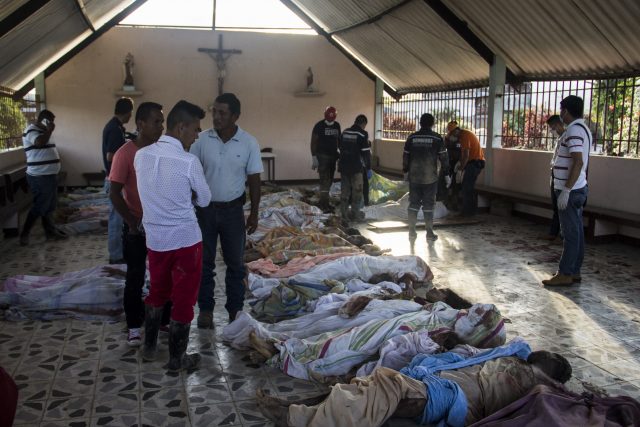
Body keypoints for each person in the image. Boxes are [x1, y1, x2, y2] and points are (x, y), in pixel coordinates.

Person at [256, 348, 572, 427]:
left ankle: (299, 419)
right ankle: (306, 411)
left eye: (553, 358)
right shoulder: (509, 358)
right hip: (435, 382)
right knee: (367, 383)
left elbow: (559, 397)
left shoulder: (537, 383)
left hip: (450, 398)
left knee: (387, 382)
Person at [134, 100, 211, 372]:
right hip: (186, 241)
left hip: (156, 240)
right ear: (181, 128)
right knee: (184, 298)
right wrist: (185, 195)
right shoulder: (188, 161)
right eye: (196, 129)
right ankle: (178, 358)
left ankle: (150, 348)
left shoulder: (141, 155)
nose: (197, 135)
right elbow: (204, 199)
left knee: (157, 291)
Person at [190, 93, 263, 328]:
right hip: (205, 211)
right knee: (204, 263)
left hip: (233, 211)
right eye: (215, 112)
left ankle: (235, 310)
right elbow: (191, 174)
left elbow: (254, 179)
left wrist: (254, 212)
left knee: (235, 264)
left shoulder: (248, 142)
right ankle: (206, 310)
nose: (217, 117)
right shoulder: (201, 141)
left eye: (222, 113)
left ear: (235, 116)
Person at [109, 102, 172, 347]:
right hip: (137, 226)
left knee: (164, 275)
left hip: (162, 224)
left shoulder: (163, 150)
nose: (161, 126)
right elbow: (115, 192)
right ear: (141, 124)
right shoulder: (125, 154)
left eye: (162, 121)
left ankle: (164, 319)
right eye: (156, 121)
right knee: (135, 276)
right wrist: (132, 222)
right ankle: (134, 325)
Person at [543, 96, 591, 286]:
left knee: (570, 233)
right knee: (577, 231)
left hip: (571, 190)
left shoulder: (574, 131)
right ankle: (574, 270)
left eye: (561, 110)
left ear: (566, 111)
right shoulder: (581, 129)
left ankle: (565, 273)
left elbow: (578, 161)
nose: (560, 113)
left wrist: (567, 190)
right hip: (576, 188)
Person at [19, 109, 67, 246]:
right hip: (39, 176)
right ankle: (25, 233)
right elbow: (39, 142)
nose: (53, 124)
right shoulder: (31, 130)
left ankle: (50, 232)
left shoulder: (44, 132)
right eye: (50, 121)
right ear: (44, 121)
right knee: (40, 205)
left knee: (50, 205)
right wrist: (49, 130)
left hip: (49, 175)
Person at [403, 113, 449, 241]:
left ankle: (411, 232)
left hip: (415, 177)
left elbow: (406, 156)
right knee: (429, 205)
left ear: (420, 123)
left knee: (413, 204)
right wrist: (446, 175)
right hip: (430, 178)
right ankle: (429, 233)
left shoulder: (412, 137)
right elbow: (444, 158)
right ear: (432, 124)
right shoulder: (437, 138)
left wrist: (406, 171)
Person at [103, 97, 134, 264]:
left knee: (118, 218)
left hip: (115, 177)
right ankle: (116, 256)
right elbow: (111, 155)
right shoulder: (114, 129)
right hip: (115, 179)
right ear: (128, 112)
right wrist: (128, 156)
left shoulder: (115, 126)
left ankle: (119, 251)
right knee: (116, 219)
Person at [447, 121, 485, 216]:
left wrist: (460, 169)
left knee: (467, 187)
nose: (451, 136)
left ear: (456, 130)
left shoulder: (464, 136)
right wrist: (460, 163)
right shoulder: (463, 135)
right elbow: (464, 155)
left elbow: (466, 156)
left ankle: (468, 212)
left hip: (475, 163)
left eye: (452, 133)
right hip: (472, 163)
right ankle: (470, 211)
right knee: (467, 187)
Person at [338, 114, 370, 222]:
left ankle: (344, 214)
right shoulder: (362, 134)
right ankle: (355, 214)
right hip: (356, 167)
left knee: (345, 191)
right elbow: (366, 153)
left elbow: (340, 147)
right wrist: (368, 168)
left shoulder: (345, 132)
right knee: (358, 191)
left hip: (343, 166)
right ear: (363, 124)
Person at [311, 106, 341, 211]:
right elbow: (313, 141)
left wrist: (340, 154)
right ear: (325, 116)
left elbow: (339, 141)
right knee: (324, 179)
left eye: (331, 119)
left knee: (330, 180)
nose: (330, 121)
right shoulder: (319, 125)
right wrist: (314, 156)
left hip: (333, 156)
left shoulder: (337, 125)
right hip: (322, 156)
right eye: (328, 118)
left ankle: (324, 201)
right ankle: (324, 203)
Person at [541, 115, 566, 242]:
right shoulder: (559, 138)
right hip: (555, 175)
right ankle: (553, 233)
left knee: (562, 208)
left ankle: (562, 235)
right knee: (556, 207)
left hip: (563, 179)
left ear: (557, 125)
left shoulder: (568, 137)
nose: (551, 130)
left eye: (552, 127)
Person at [444, 121, 463, 211]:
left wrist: (460, 163)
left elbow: (464, 152)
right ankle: (446, 203)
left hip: (458, 164)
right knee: (446, 183)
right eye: (450, 131)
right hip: (449, 163)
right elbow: (444, 149)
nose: (453, 133)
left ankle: (455, 205)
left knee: (456, 185)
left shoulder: (462, 138)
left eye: (454, 131)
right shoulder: (447, 138)